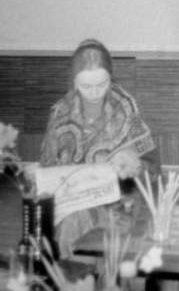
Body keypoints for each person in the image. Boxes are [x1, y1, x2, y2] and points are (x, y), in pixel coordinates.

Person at [40, 39, 161, 257]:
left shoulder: (125, 107)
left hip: (119, 201)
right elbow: (47, 171)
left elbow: (154, 168)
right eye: (86, 86)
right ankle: (69, 274)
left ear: (111, 78)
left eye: (102, 84)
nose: (95, 92)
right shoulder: (60, 113)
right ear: (73, 81)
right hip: (72, 201)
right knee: (64, 223)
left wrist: (135, 164)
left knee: (85, 225)